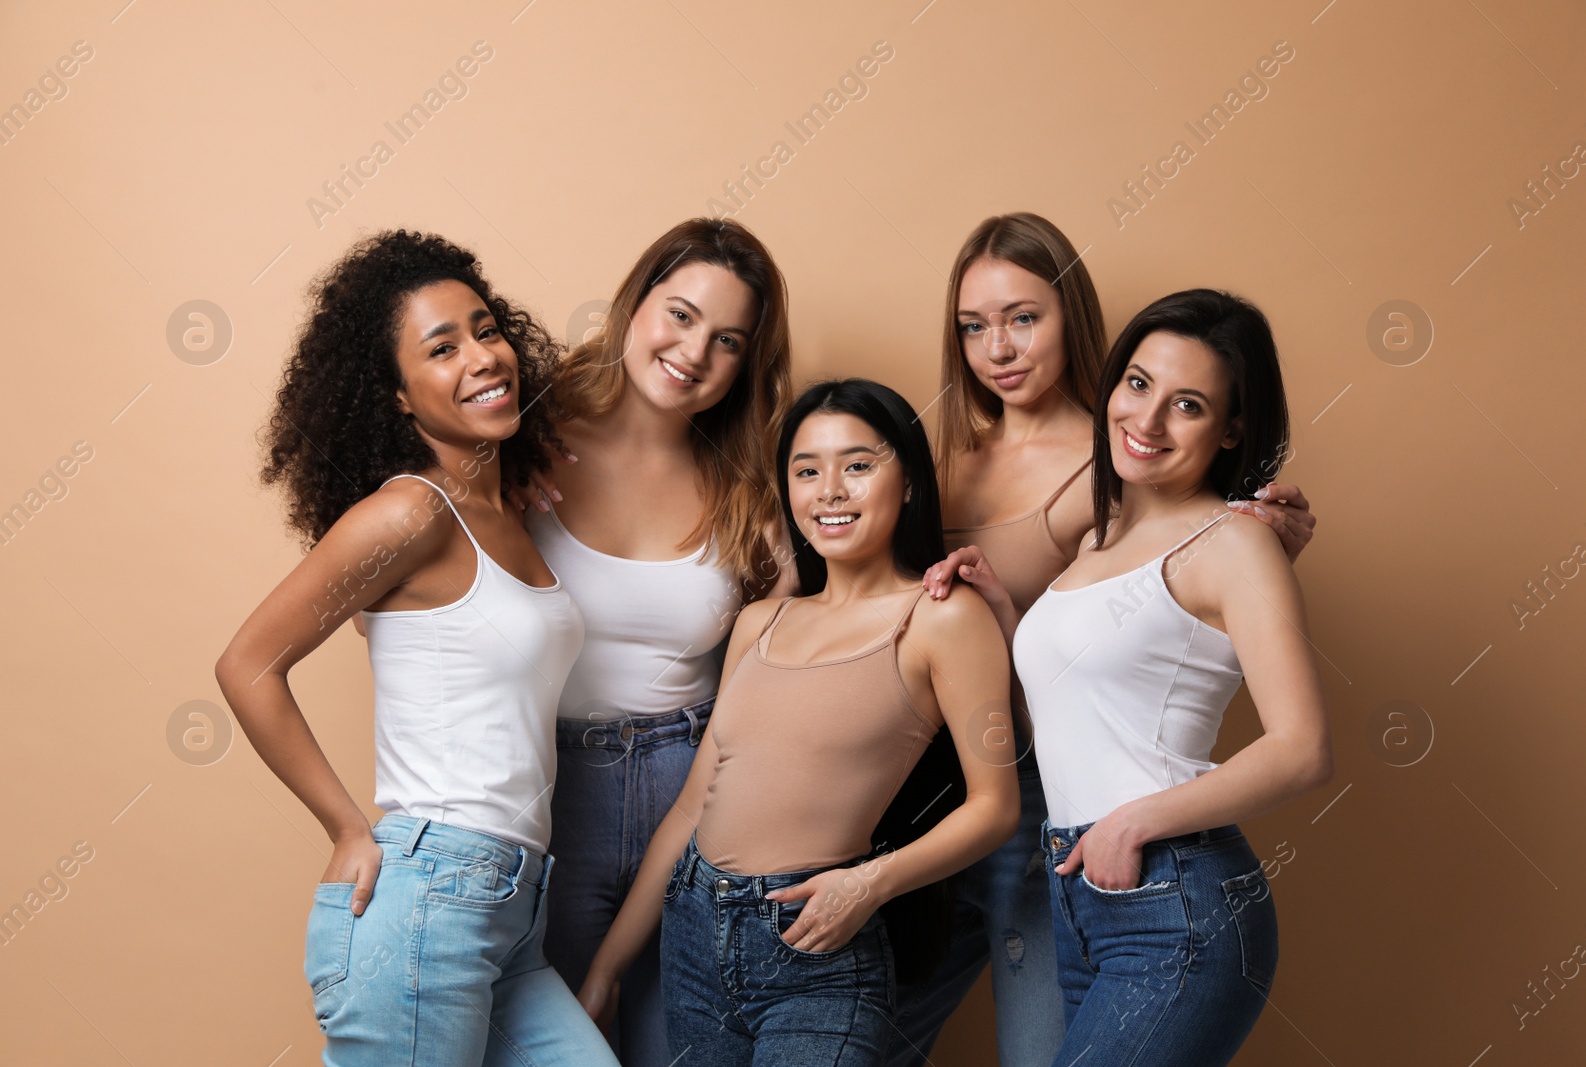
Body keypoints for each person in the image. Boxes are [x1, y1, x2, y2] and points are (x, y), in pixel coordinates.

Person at [901, 213, 1317, 1065]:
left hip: (1175, 892)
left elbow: (1305, 750)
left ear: (1230, 430)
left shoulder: (1234, 540)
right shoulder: (1102, 535)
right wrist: (999, 611)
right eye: (1138, 384)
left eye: (1190, 405)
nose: (1149, 419)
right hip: (1082, 889)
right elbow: (1070, 690)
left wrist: (1135, 825)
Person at [215, 232, 618, 1065]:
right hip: (430, 896)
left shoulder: (501, 512)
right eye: (442, 348)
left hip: (513, 915)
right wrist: (346, 827)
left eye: (486, 328)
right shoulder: (411, 514)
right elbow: (247, 664)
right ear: (397, 396)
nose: (482, 357)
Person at [578, 379, 1021, 1066]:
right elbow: (691, 807)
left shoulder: (943, 617)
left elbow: (995, 807)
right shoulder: (760, 621)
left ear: (907, 481)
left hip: (819, 942)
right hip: (693, 930)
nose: (830, 490)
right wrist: (608, 968)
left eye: (859, 465)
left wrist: (866, 883)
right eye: (807, 470)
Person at [526, 218, 794, 1067]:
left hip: (700, 784)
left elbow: (824, 620)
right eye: (678, 314)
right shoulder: (525, 437)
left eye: (726, 341)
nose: (692, 353)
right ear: (634, 303)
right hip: (552, 790)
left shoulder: (750, 479)